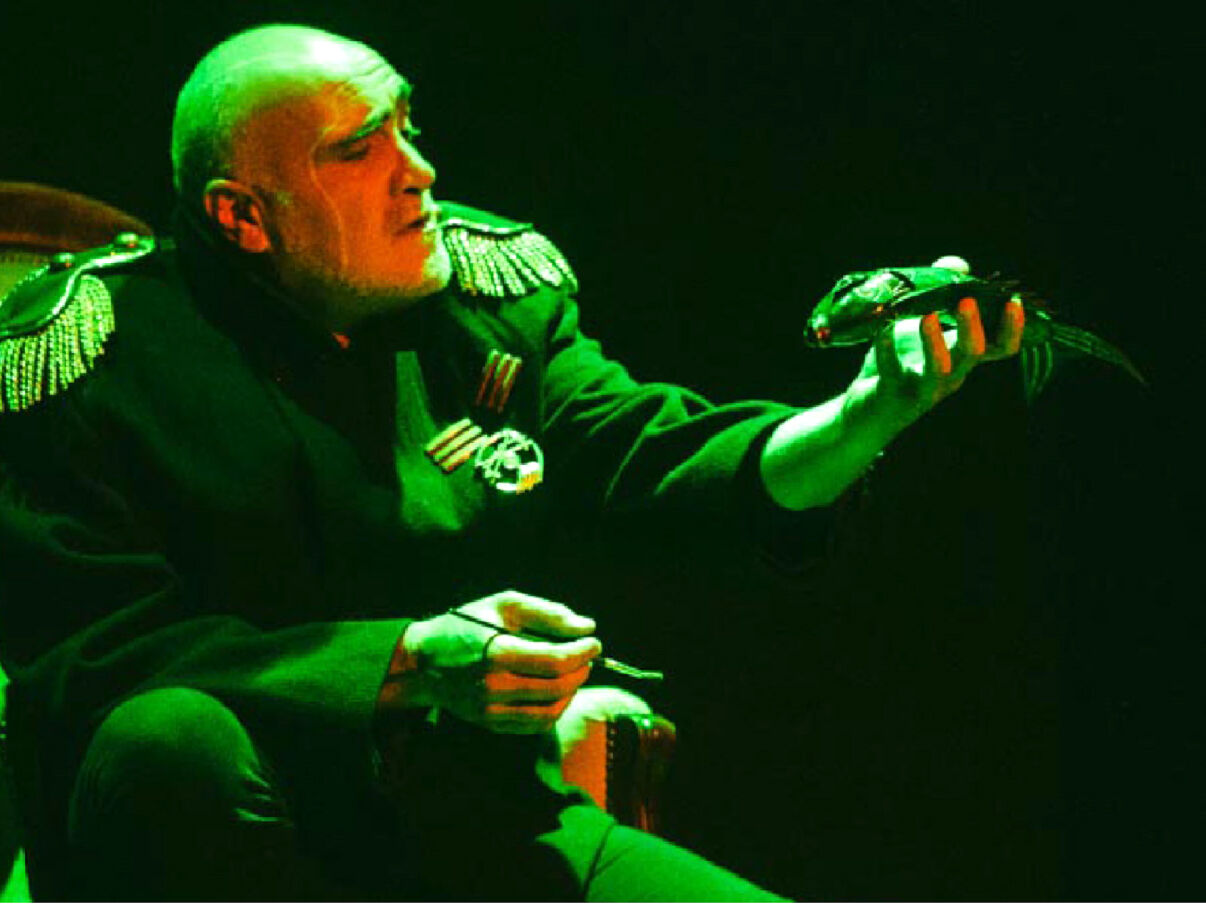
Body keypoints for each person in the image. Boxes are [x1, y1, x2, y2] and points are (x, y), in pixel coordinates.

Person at [0, 23, 1024, 902]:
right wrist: (407, 661)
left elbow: (648, 451)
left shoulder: (477, 304)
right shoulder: (92, 363)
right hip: (219, 831)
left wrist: (863, 411)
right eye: (358, 149)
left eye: (407, 125)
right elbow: (94, 662)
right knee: (169, 734)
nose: (418, 170)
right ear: (242, 216)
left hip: (464, 824)